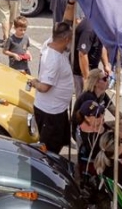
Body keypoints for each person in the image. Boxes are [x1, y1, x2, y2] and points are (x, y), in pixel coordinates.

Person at [29, 22, 75, 154]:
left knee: (60, 141)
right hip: (50, 113)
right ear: (66, 39)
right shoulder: (54, 60)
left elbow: (65, 20)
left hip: (58, 109)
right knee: (49, 149)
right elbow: (44, 87)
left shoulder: (50, 43)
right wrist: (34, 82)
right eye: (71, 38)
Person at [74, 17, 109, 96]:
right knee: (84, 98)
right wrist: (87, 78)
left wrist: (106, 65)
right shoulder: (89, 29)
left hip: (93, 71)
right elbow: (82, 54)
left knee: (96, 96)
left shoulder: (99, 26)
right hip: (81, 72)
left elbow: (101, 45)